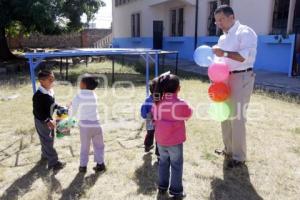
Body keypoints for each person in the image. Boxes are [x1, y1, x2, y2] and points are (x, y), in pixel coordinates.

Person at [212, 5, 257, 168]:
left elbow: (243, 58)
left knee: (237, 117)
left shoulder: (245, 32)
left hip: (241, 76)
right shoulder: (223, 38)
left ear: (232, 17)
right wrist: (215, 77)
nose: (218, 24)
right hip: (224, 79)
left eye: (221, 20)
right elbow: (221, 61)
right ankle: (228, 150)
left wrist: (222, 53)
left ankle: (239, 157)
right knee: (224, 114)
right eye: (216, 21)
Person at [152, 73, 193, 199]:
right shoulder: (180, 103)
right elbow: (188, 114)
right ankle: (176, 191)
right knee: (176, 165)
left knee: (163, 163)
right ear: (178, 88)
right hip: (175, 142)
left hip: (160, 141)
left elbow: (154, 117)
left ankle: (162, 186)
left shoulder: (157, 102)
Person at [69, 74, 106, 173]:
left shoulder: (79, 95)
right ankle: (100, 164)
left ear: (84, 85)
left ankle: (83, 166)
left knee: (85, 146)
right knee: (99, 145)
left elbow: (73, 110)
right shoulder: (94, 95)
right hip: (96, 124)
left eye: (80, 81)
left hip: (85, 125)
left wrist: (69, 111)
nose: (78, 83)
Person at [33, 70, 65, 171]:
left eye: (53, 79)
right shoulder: (38, 96)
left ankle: (45, 156)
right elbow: (38, 111)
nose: (53, 81)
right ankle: (53, 163)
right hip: (42, 121)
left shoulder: (49, 91)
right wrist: (47, 120)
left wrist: (58, 107)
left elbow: (51, 104)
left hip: (48, 120)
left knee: (46, 139)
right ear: (42, 81)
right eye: (50, 79)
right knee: (47, 140)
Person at [140, 77, 159, 159]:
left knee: (150, 134)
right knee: (159, 137)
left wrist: (145, 116)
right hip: (158, 121)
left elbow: (143, 112)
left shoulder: (147, 100)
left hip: (150, 120)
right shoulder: (161, 100)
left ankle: (147, 146)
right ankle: (159, 154)